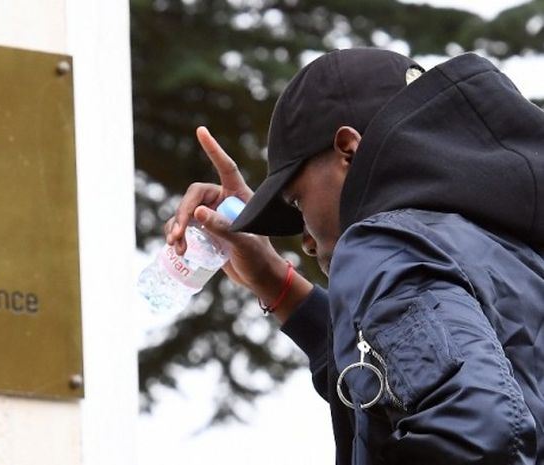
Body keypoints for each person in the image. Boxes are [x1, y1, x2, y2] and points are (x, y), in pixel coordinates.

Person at [165, 48, 544, 464]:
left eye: (296, 203)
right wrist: (278, 284)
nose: (306, 241)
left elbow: (478, 436)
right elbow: (403, 384)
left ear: (349, 150)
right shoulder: (508, 250)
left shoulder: (380, 246)